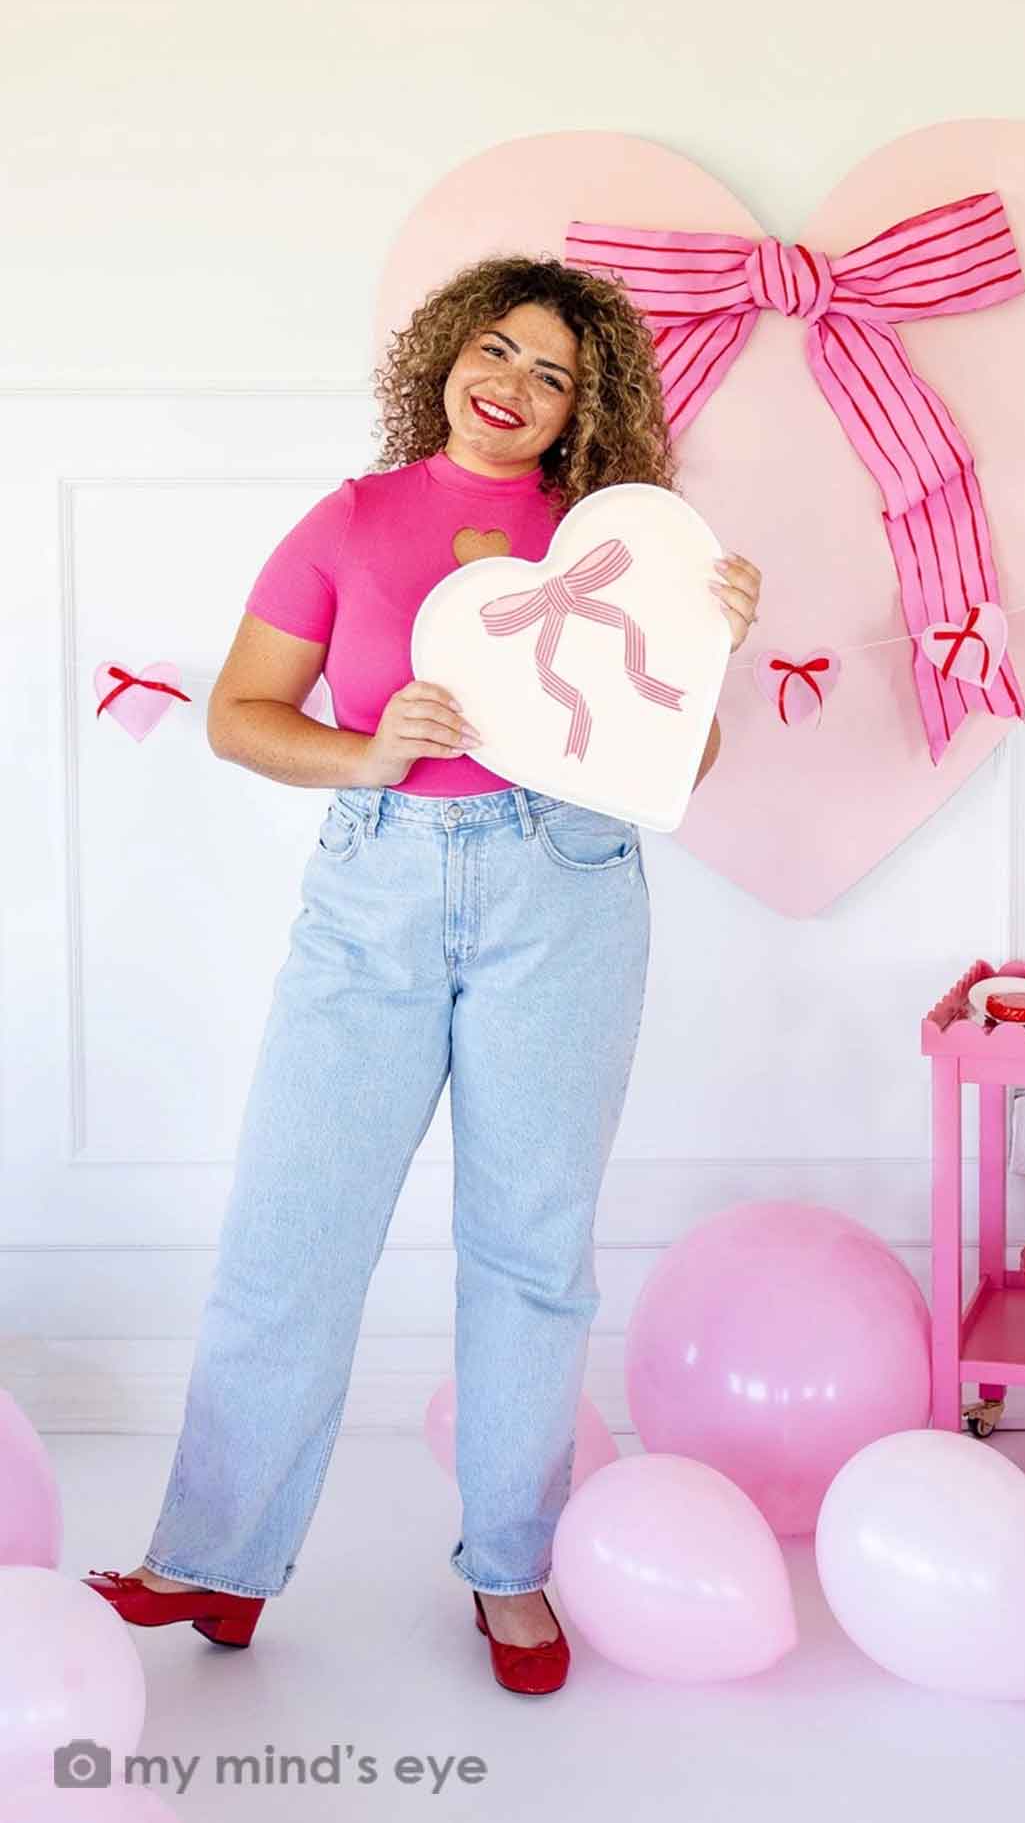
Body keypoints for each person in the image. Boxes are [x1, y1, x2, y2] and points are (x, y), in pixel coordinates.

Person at [82, 256, 762, 1695]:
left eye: (552, 375)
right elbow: (241, 716)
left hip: (566, 886)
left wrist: (713, 645)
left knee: (529, 1251)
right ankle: (217, 1554)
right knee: (292, 1233)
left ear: (585, 411)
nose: (511, 387)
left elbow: (671, 769)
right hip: (377, 881)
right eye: (497, 351)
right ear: (450, 354)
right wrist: (371, 751)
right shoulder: (351, 519)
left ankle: (513, 1572)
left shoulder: (621, 542)